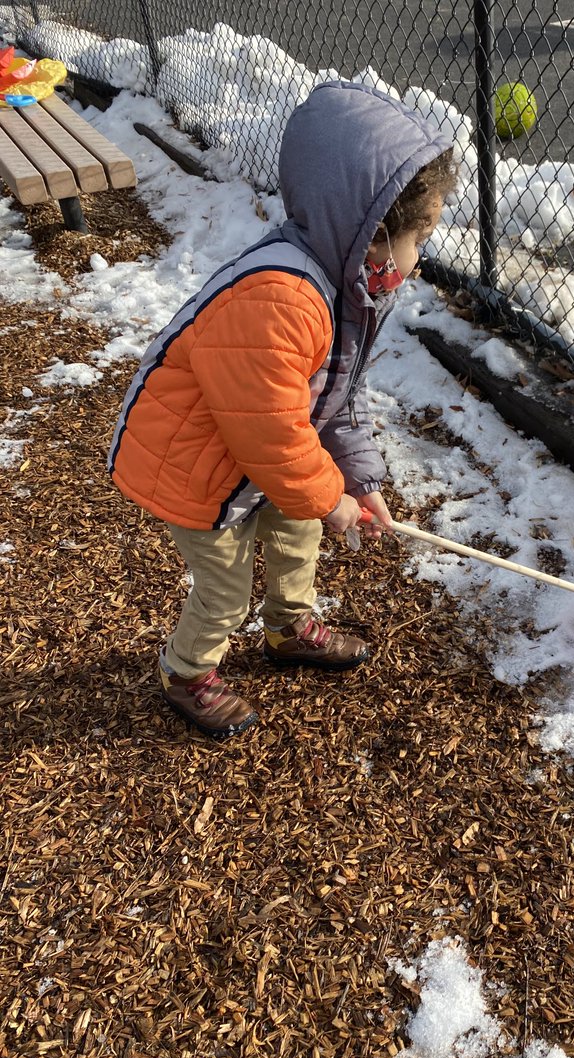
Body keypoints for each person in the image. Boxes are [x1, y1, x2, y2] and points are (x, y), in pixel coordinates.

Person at [108, 82, 457, 738]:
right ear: (377, 235)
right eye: (421, 237)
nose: (420, 256)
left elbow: (334, 399)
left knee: (298, 531)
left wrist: (358, 480)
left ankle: (288, 628)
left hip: (250, 459)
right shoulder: (281, 299)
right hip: (196, 469)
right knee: (224, 590)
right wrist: (330, 495)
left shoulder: (346, 285)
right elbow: (269, 432)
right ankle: (185, 673)